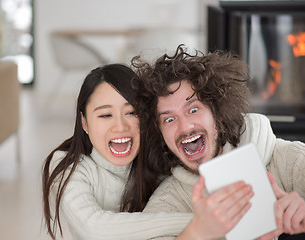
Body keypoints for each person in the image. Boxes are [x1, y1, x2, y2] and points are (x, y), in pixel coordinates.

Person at [129, 45, 305, 240]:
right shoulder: (167, 204)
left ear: (218, 114)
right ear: (159, 133)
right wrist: (195, 233)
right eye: (169, 119)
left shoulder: (288, 160)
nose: (185, 127)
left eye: (193, 109)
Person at [42, 63, 197, 240]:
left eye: (131, 112)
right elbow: (93, 228)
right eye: (106, 115)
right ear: (84, 122)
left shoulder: (158, 158)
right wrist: (200, 222)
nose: (120, 126)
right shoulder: (67, 165)